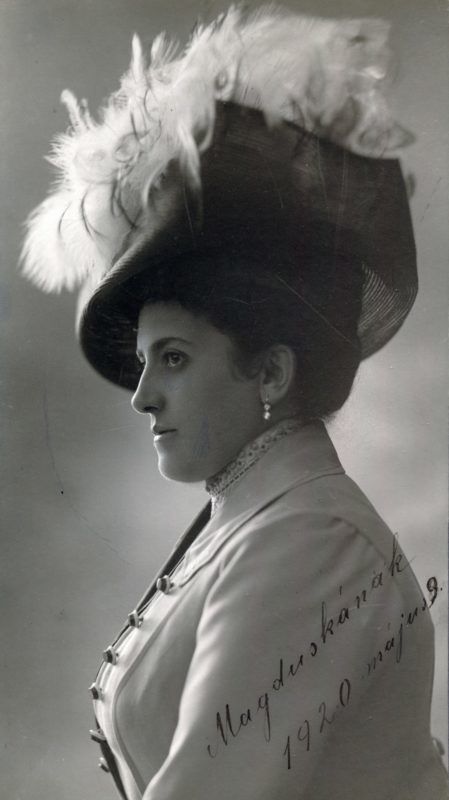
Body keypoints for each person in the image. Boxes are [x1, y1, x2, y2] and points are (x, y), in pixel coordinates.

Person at [20, 7, 448, 800]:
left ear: (271, 373)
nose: (142, 395)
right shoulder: (253, 518)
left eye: (174, 359)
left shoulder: (310, 538)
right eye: (145, 362)